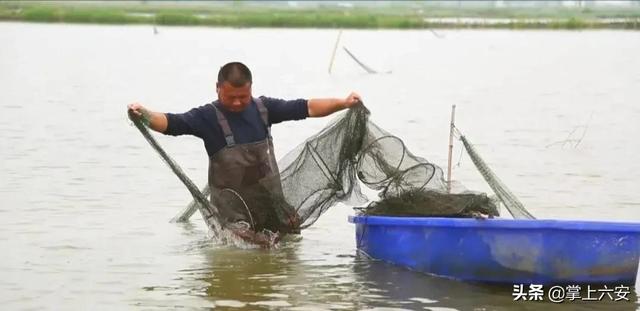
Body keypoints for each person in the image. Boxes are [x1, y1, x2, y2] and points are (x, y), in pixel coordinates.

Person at [128, 62, 361, 243]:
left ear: (251, 89)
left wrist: (343, 102)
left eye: (243, 97)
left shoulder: (263, 108)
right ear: (217, 88)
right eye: (231, 97)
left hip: (270, 206)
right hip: (233, 216)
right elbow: (171, 123)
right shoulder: (206, 117)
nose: (238, 103)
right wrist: (145, 114)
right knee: (244, 257)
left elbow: (306, 107)